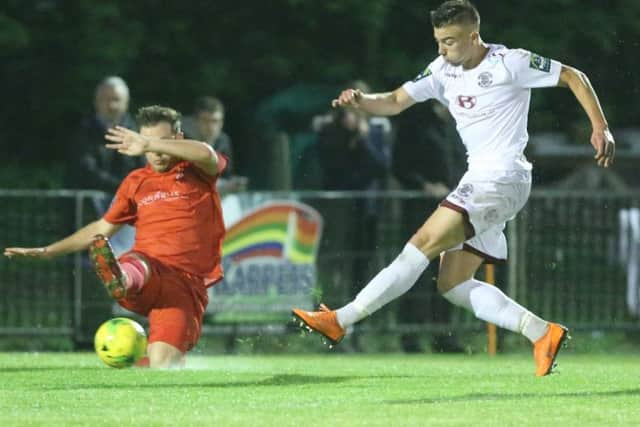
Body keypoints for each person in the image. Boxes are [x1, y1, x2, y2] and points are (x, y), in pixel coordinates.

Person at [293, 0, 615, 376]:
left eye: (449, 41)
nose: (442, 49)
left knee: (419, 245)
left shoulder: (510, 62)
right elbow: (396, 101)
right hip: (484, 181)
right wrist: (363, 101)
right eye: (438, 41)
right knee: (453, 282)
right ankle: (542, 332)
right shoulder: (442, 70)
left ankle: (341, 319)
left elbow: (574, 76)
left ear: (473, 36)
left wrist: (600, 126)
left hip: (499, 178)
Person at [5, 106, 228, 368]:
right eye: (147, 144)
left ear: (178, 139)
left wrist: (147, 142)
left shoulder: (197, 170)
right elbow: (101, 228)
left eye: (162, 142)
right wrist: (49, 251)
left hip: (185, 285)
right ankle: (120, 276)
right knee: (138, 264)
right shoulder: (135, 182)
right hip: (146, 272)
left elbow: (208, 153)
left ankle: (138, 359)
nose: (154, 151)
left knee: (163, 366)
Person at [70, 76, 143, 193]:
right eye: (105, 99)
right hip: (92, 203)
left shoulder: (139, 134)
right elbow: (86, 171)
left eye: (116, 100)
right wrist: (119, 187)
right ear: (96, 102)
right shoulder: (83, 132)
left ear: (126, 103)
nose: (111, 105)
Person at [182, 96, 248, 195]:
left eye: (215, 121)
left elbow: (226, 176)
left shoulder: (223, 141)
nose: (211, 127)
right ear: (196, 121)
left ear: (222, 122)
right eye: (205, 121)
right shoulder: (182, 141)